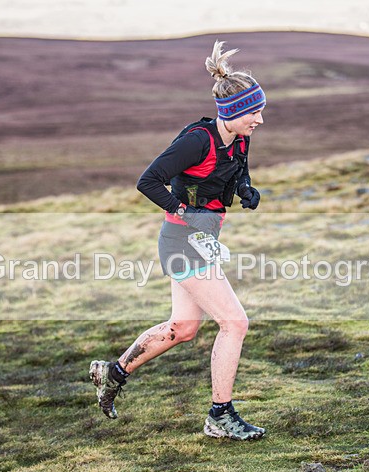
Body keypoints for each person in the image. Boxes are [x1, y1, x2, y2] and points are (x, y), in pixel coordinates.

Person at [89, 42, 266, 440]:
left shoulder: (239, 138)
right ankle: (219, 415)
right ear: (234, 111)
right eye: (254, 112)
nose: (259, 120)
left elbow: (239, 172)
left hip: (202, 241)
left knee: (183, 328)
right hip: (181, 241)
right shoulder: (196, 140)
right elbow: (148, 181)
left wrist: (247, 190)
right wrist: (186, 215)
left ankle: (112, 373)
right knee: (235, 323)